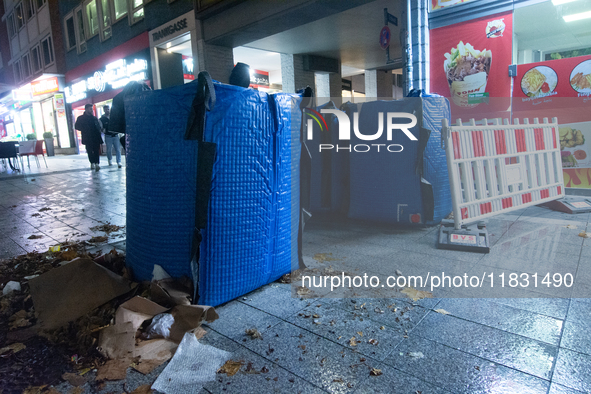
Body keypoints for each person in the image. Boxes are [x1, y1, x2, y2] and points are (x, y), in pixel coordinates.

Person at [75, 104, 103, 171]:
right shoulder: (81, 118)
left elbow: (98, 126)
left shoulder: (94, 118)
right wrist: (84, 129)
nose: (91, 110)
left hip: (95, 137)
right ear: (86, 109)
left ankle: (97, 163)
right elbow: (77, 126)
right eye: (90, 109)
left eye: (92, 109)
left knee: (96, 150)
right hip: (87, 137)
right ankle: (92, 162)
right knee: (90, 150)